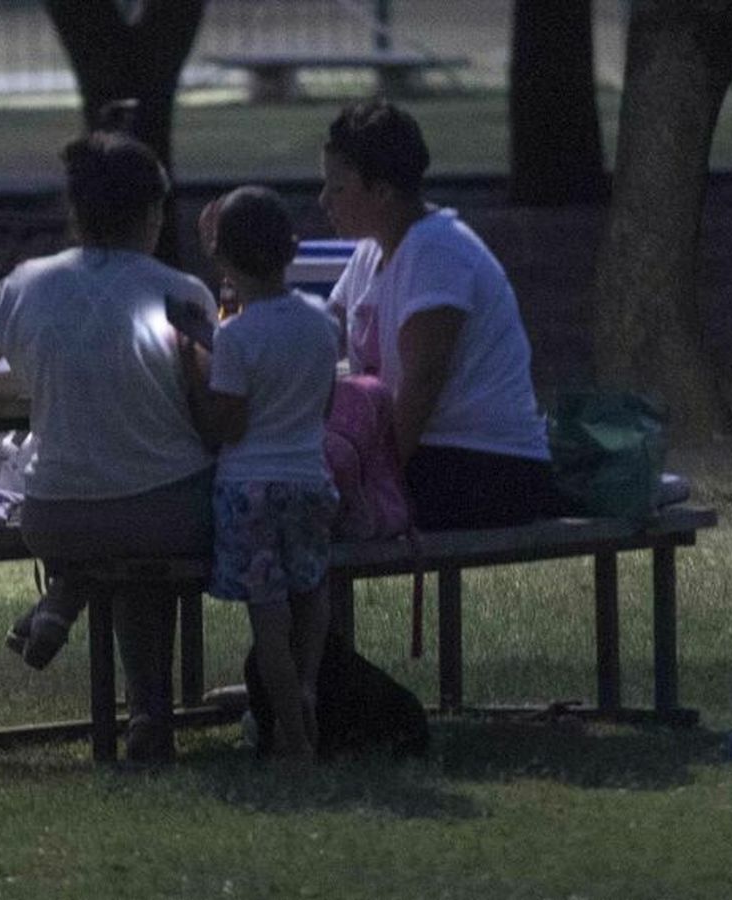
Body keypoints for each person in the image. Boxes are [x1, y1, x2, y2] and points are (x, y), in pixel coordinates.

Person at [0, 131, 217, 762]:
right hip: (165, 513)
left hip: (56, 518)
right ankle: (149, 715)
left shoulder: (26, 285)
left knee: (111, 541)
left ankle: (68, 591)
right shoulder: (184, 293)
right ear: (155, 215)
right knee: (150, 525)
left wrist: (32, 368)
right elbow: (209, 410)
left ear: (75, 214)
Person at [320, 100, 564, 529]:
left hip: (485, 466)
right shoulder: (370, 252)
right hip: (425, 456)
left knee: (306, 506)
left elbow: (421, 385)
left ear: (381, 191)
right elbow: (321, 342)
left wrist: (373, 480)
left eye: (337, 188)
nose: (324, 201)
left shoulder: (437, 252)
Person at [185, 186, 341, 761]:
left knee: (268, 618)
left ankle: (293, 739)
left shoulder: (235, 337)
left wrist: (189, 368)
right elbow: (322, 408)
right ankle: (306, 685)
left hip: (248, 489)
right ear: (291, 249)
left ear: (222, 260)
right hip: (309, 479)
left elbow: (228, 425)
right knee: (311, 589)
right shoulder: (323, 324)